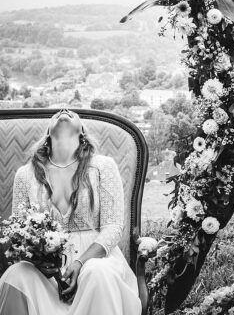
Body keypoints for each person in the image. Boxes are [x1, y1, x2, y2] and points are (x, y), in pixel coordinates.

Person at [0, 109, 141, 315]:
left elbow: (113, 227)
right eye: (57, 113)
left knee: (97, 272)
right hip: (45, 271)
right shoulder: (26, 174)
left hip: (97, 260)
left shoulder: (103, 166)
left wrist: (79, 262)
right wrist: (40, 263)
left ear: (82, 132)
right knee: (16, 274)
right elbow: (18, 234)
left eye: (71, 112)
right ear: (48, 132)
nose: (64, 111)